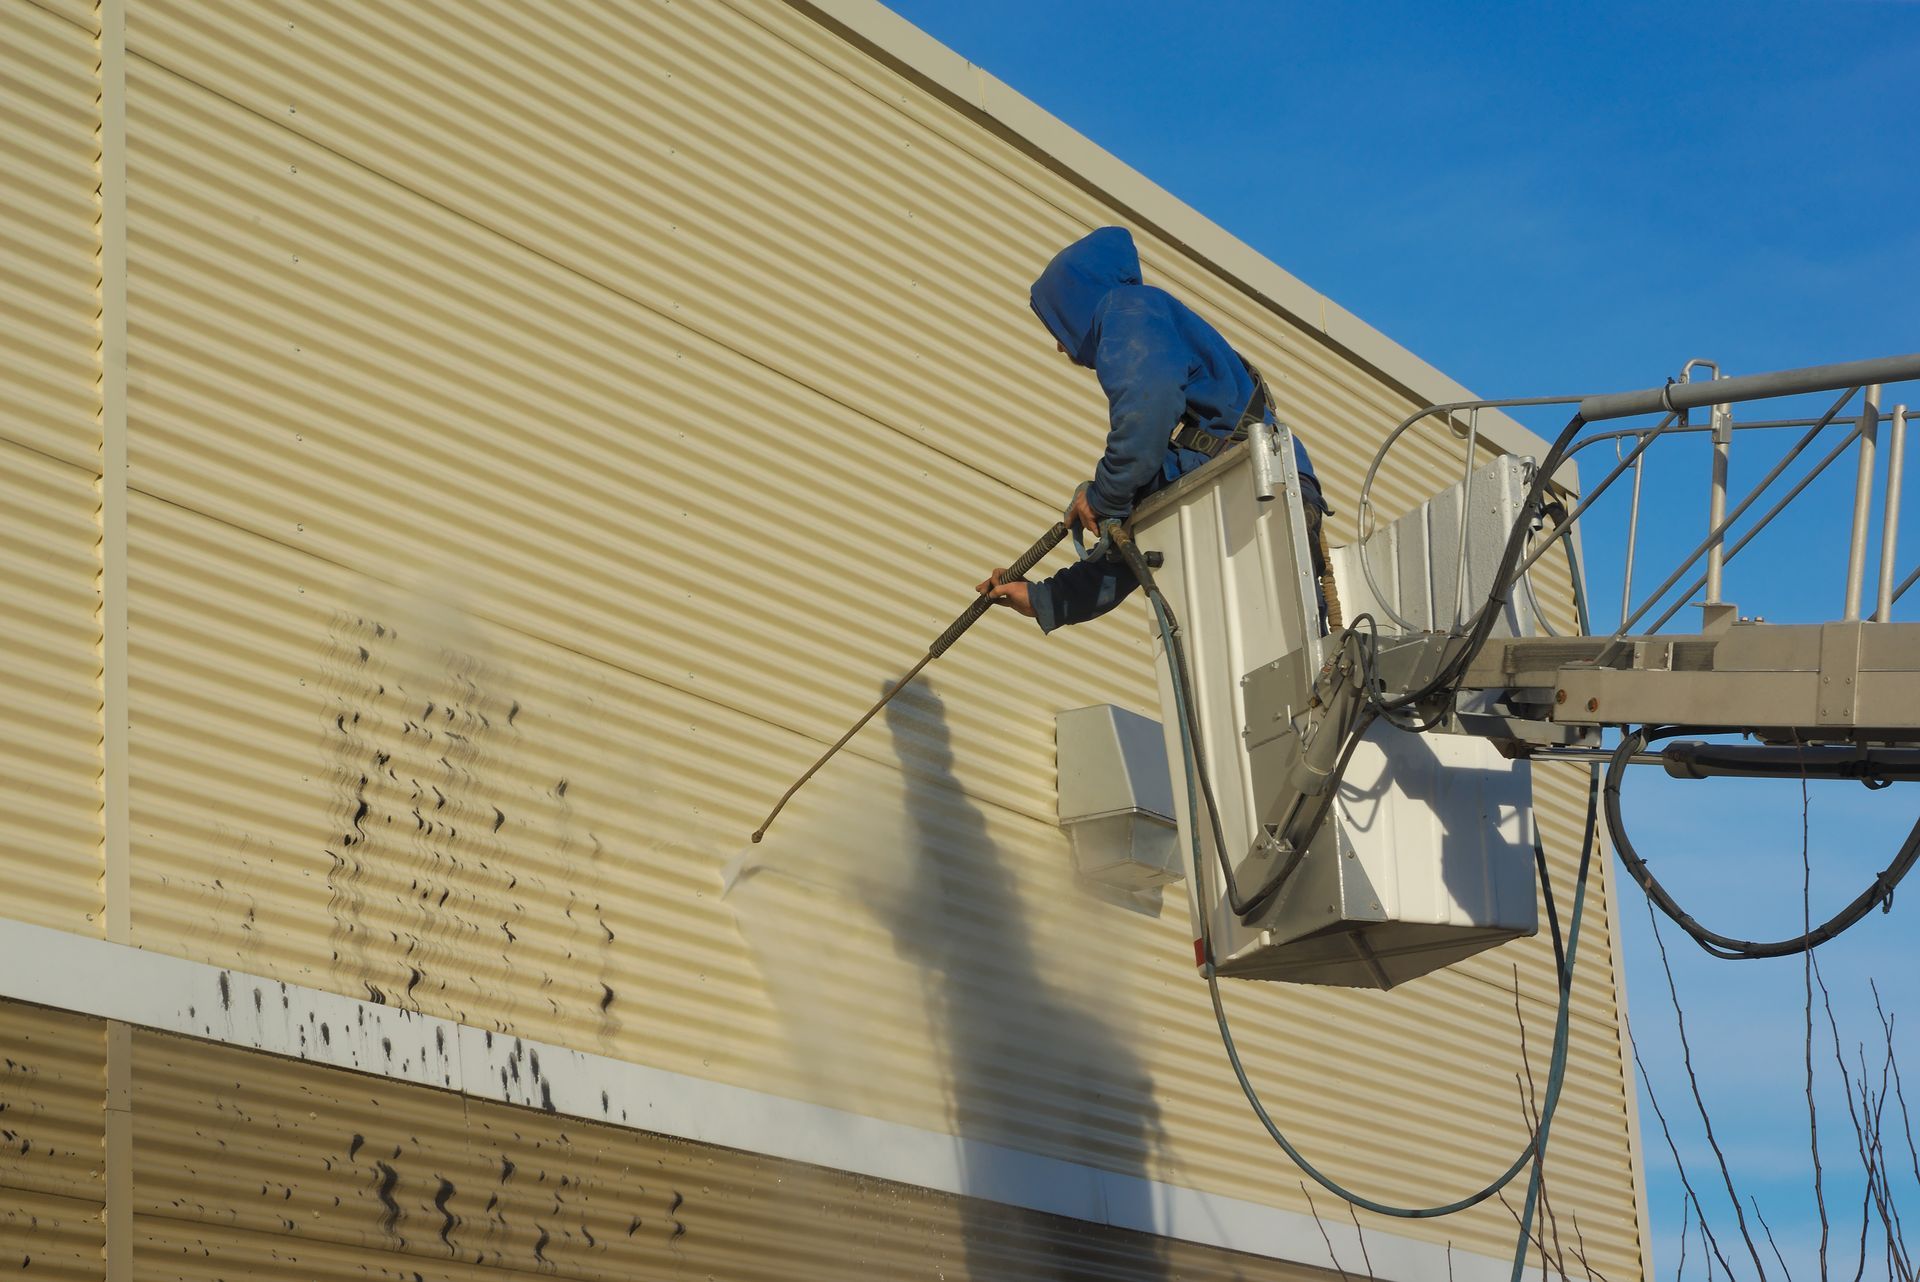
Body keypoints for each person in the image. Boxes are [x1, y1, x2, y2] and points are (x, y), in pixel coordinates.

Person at [976, 226, 1325, 632]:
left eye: (1059, 328)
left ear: (1076, 302)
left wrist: (1102, 494)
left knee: (1281, 646)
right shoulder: (1185, 451)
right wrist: (1042, 599)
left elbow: (1144, 414)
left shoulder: (1129, 311)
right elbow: (1136, 547)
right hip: (1243, 491)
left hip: (1253, 488)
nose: (1060, 346)